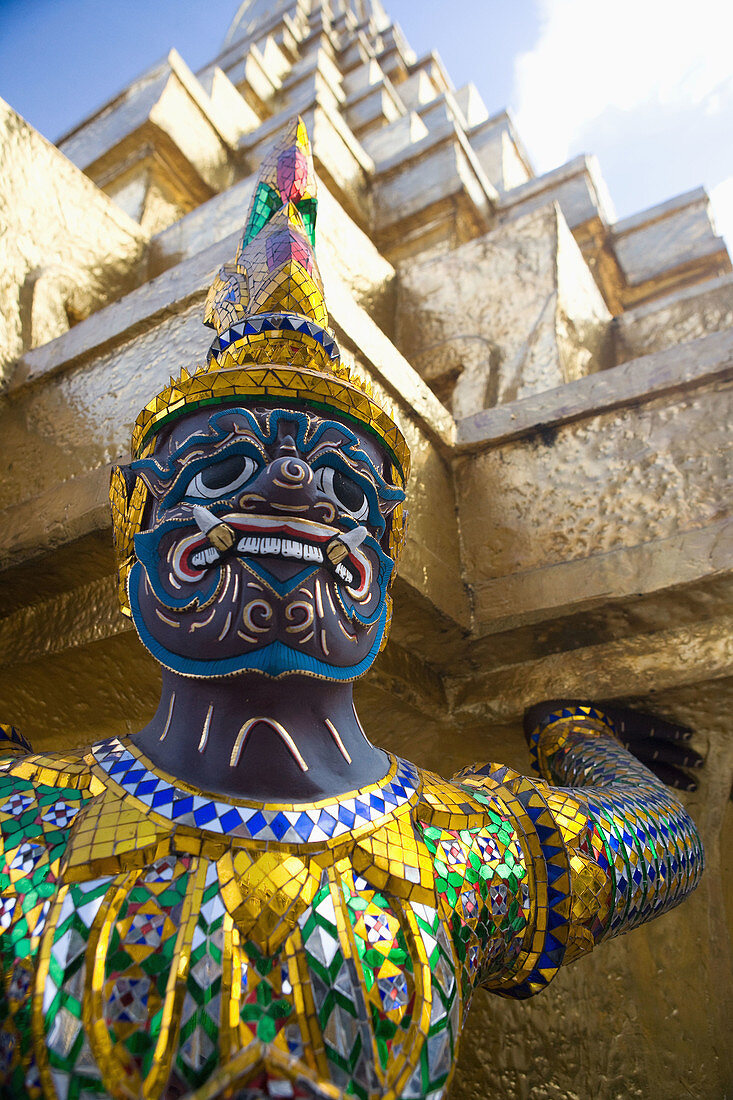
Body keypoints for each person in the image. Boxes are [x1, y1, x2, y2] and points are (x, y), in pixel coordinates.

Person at [0, 119, 703, 1100]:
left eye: (342, 480)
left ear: (383, 550)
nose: (292, 474)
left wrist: (574, 718)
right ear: (135, 528)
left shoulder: (457, 845)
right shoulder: (25, 824)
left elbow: (659, 837)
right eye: (223, 461)